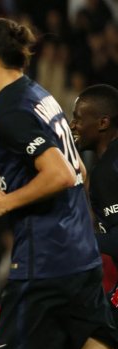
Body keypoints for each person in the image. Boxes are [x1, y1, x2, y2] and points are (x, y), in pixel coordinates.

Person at [0, 17, 117, 349]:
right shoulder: (39, 95)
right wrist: (10, 176)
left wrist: (4, 200)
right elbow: (77, 167)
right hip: (81, 259)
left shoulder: (10, 108)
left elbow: (61, 174)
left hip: (43, 266)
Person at [70, 84, 118, 321]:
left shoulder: (108, 171)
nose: (73, 126)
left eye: (78, 119)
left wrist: (77, 240)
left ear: (103, 123)